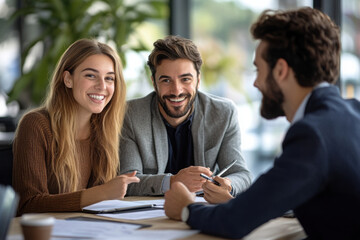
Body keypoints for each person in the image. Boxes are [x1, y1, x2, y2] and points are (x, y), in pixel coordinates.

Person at [164, 7, 360, 239]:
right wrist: (242, 204)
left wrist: (186, 208)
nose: (255, 83)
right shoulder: (352, 112)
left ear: (280, 70)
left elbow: (233, 223)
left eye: (258, 69)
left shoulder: (312, 135)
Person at [12, 39, 140, 215]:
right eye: (90, 75)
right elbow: (28, 205)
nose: (102, 86)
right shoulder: (35, 125)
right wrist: (101, 193)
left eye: (109, 78)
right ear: (68, 79)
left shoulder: (104, 129)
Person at [119, 35, 251, 200]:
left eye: (185, 79)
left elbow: (241, 174)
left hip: (203, 210)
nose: (177, 90)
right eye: (166, 80)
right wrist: (172, 181)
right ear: (154, 83)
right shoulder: (130, 114)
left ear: (198, 80)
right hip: (150, 217)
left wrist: (228, 184)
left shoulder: (223, 113)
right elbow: (126, 181)